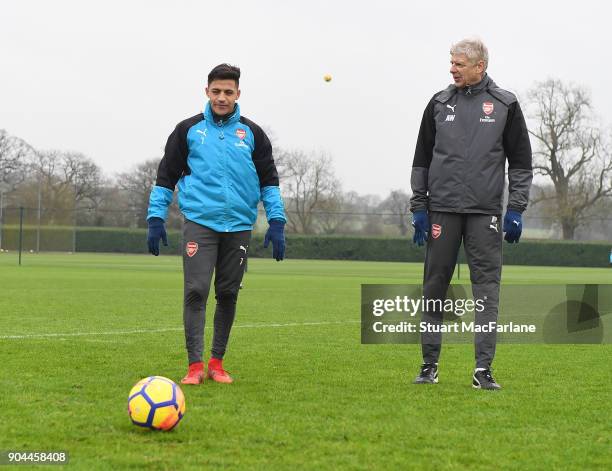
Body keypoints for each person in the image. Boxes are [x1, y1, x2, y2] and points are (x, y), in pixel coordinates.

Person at [146, 64, 286, 385]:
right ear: (206, 91)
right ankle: (195, 366)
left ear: (238, 94)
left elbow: (270, 181)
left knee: (227, 293)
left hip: (238, 225)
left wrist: (277, 220)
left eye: (228, 92)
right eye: (216, 91)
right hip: (200, 222)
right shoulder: (188, 130)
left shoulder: (252, 134)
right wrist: (156, 217)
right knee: (196, 291)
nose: (222, 98)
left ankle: (216, 363)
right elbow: (166, 176)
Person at [410, 38, 533, 390]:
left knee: (486, 292)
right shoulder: (438, 103)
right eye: (451, 62)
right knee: (434, 289)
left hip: (485, 214)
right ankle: (428, 365)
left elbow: (521, 163)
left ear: (480, 66)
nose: (452, 69)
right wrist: (419, 206)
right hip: (442, 212)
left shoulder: (506, 104)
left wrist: (516, 209)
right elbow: (421, 159)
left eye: (459, 63)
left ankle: (483, 370)